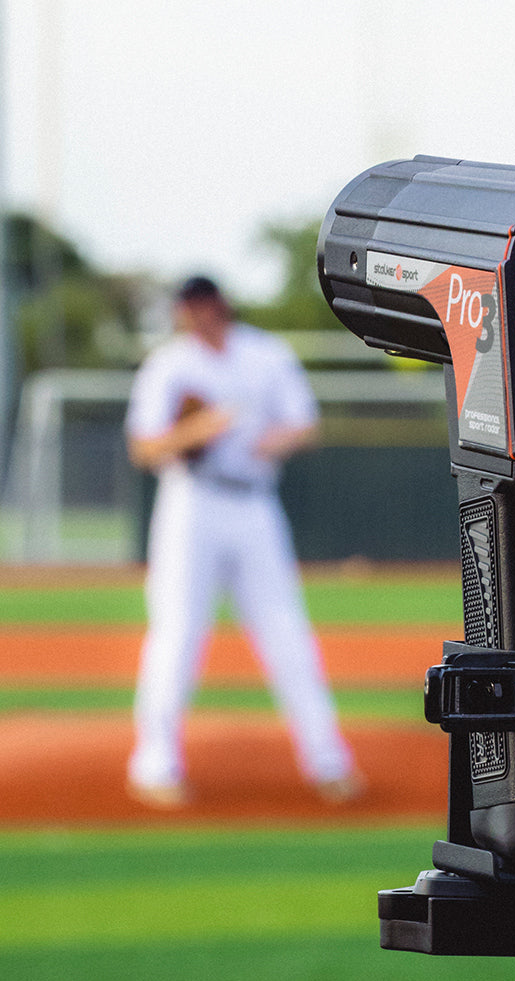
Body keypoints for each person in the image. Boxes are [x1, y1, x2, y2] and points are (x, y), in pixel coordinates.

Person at [124, 275, 360, 808]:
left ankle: (328, 762)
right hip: (191, 504)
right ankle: (155, 764)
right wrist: (200, 430)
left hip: (254, 503)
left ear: (219, 304)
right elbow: (145, 448)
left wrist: (270, 437)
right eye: (189, 308)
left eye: (203, 305)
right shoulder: (171, 364)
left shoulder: (265, 354)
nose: (197, 315)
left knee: (286, 631)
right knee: (177, 631)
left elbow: (304, 424)